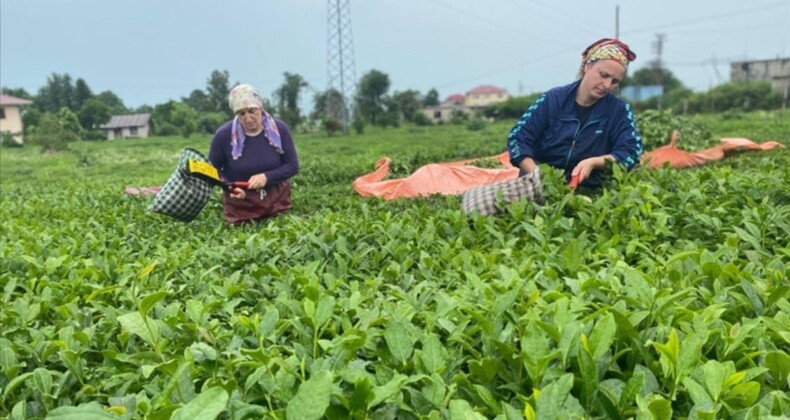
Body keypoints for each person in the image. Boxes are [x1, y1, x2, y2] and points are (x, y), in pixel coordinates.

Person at [506, 38, 643, 190]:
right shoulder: (553, 100)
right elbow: (518, 138)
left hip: (588, 189)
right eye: (604, 75)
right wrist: (536, 174)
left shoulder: (619, 111)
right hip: (535, 187)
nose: (607, 85)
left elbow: (632, 152)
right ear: (587, 66)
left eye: (615, 81)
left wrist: (594, 162)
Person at [208, 84, 299, 224]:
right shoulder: (223, 136)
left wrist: (266, 177)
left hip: (276, 203)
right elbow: (212, 170)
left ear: (261, 109)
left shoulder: (279, 129)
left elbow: (292, 166)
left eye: (252, 111)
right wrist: (231, 188)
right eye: (241, 113)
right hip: (241, 205)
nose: (248, 118)